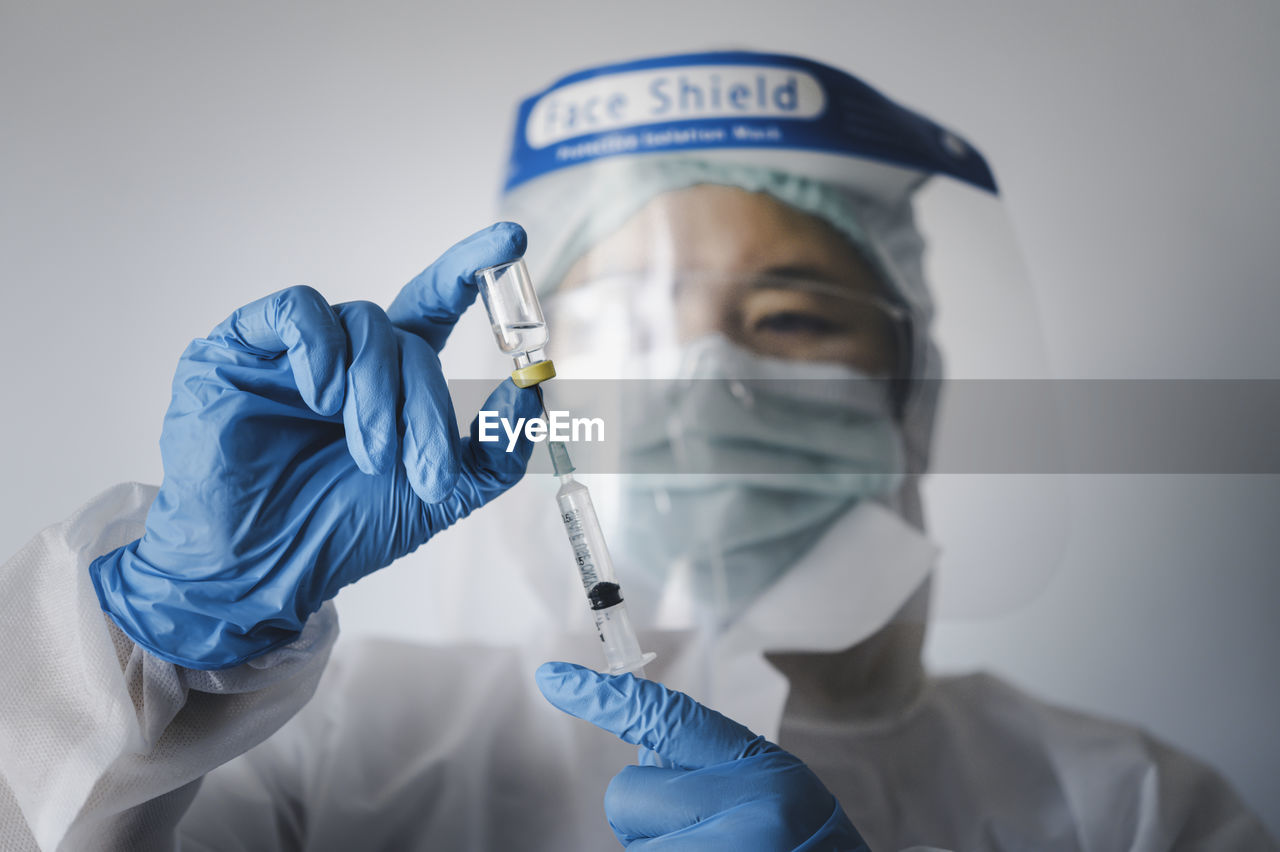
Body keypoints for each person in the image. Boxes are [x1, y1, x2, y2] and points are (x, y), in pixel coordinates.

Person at [0, 50, 1272, 852]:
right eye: (638, 327)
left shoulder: (1128, 809)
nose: (712, 374)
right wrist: (163, 636)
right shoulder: (333, 756)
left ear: (909, 392)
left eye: (791, 318)